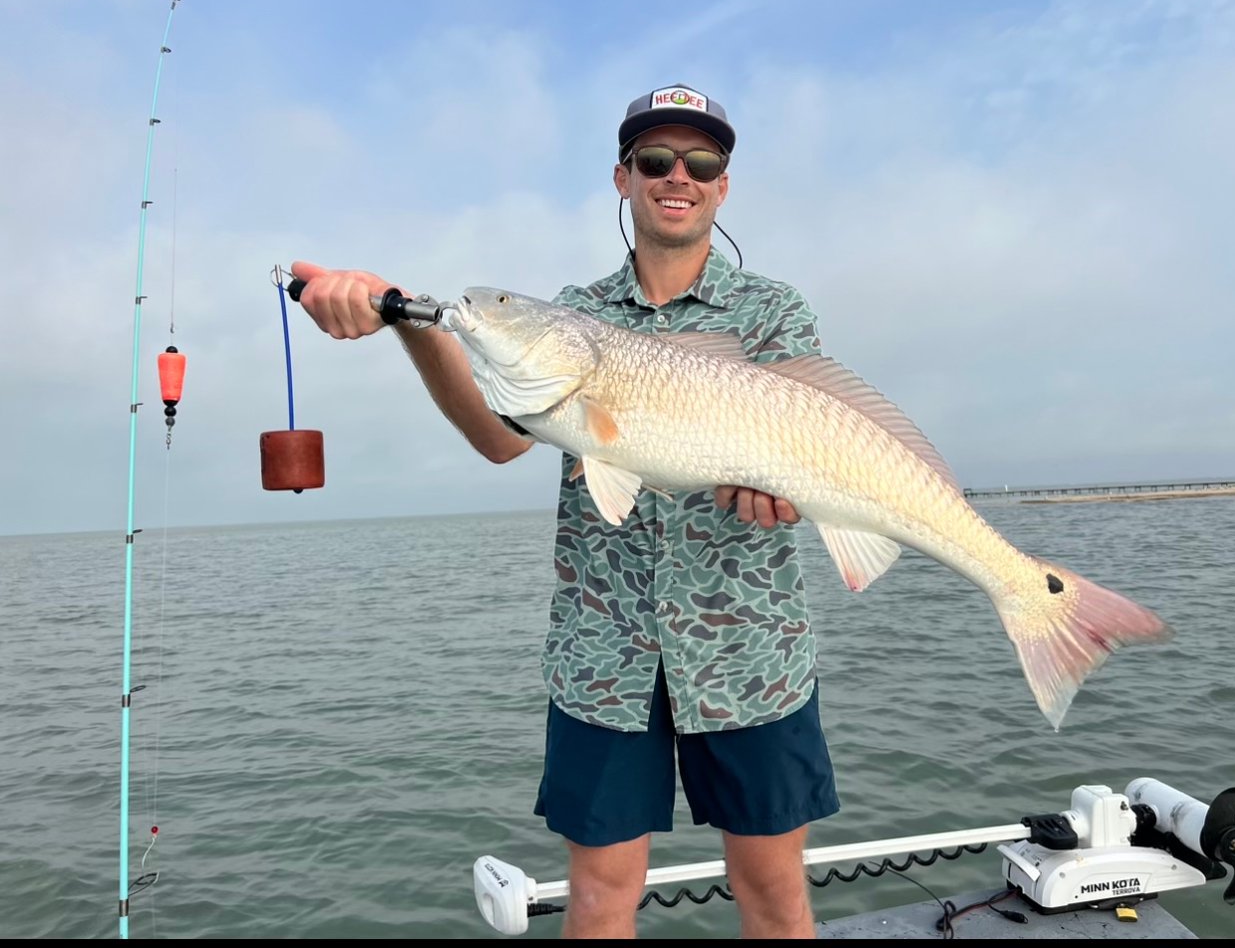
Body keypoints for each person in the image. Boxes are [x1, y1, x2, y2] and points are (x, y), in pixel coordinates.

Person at [292, 83, 839, 939]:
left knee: (773, 895)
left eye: (702, 163)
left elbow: (812, 455)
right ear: (622, 177)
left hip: (749, 650)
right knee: (595, 900)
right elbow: (501, 439)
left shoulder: (772, 312)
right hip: (604, 653)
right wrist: (415, 327)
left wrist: (788, 495)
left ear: (723, 186)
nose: (678, 176)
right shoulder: (571, 316)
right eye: (656, 160)